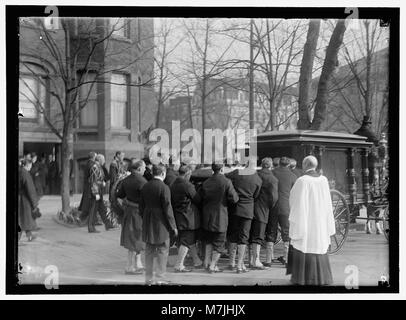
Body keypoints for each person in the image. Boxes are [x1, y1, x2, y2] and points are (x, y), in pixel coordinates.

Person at [287, 155, 335, 285]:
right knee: (319, 244)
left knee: (305, 244)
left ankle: (303, 278)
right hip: (320, 220)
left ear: (304, 165)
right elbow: (328, 202)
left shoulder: (302, 181)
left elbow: (294, 200)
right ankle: (322, 277)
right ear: (315, 165)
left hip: (306, 219)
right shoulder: (324, 180)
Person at [140, 164, 178, 285]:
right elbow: (168, 208)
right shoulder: (164, 187)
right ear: (163, 173)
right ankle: (160, 277)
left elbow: (141, 207)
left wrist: (145, 217)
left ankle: (149, 277)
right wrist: (173, 226)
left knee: (149, 249)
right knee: (162, 249)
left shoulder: (145, 186)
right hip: (161, 221)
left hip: (148, 219)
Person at [199, 163, 239, 273]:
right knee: (219, 243)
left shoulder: (206, 182)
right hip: (220, 217)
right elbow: (234, 199)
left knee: (208, 241)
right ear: (222, 169)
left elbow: (200, 198)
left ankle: (206, 262)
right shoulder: (226, 181)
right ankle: (213, 266)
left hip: (207, 217)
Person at [226, 158, 262, 273]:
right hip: (248, 210)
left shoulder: (237, 173)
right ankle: (239, 264)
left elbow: (226, 177)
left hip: (235, 208)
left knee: (233, 234)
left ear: (246, 164)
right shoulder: (257, 179)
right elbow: (256, 196)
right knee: (244, 237)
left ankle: (231, 262)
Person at [116, 160, 147, 274]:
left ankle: (138, 264)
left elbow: (119, 196)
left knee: (134, 239)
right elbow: (147, 200)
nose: (145, 170)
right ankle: (129, 267)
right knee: (135, 239)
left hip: (129, 212)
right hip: (138, 213)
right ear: (139, 169)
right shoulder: (142, 181)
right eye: (144, 168)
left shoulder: (125, 180)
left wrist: (125, 206)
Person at [171, 165, 203, 272]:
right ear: (188, 174)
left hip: (178, 216)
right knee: (186, 241)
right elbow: (197, 199)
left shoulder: (173, 184)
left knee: (188, 240)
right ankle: (179, 265)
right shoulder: (187, 185)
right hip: (187, 217)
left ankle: (197, 261)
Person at [250, 157, 279, 269]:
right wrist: (269, 206)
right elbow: (274, 198)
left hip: (250, 207)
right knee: (258, 235)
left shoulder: (255, 175)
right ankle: (255, 261)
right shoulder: (273, 179)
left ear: (261, 165)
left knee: (250, 234)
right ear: (270, 166)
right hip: (262, 209)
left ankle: (251, 260)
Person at [270, 156, 297, 265]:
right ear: (289, 164)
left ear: (279, 163)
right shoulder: (293, 176)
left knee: (271, 231)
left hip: (273, 206)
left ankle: (269, 258)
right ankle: (286, 258)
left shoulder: (272, 173)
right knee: (286, 232)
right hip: (286, 207)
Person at [87, 154, 114, 233]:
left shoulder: (98, 167)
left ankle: (108, 224)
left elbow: (98, 180)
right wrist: (96, 194)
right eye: (104, 160)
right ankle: (91, 227)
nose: (104, 161)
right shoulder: (95, 167)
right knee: (93, 210)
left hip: (99, 191)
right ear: (100, 160)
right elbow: (93, 182)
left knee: (102, 208)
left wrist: (102, 183)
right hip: (96, 192)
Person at [18, 159, 39, 241]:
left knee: (25, 218)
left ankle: (29, 236)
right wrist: (34, 203)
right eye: (30, 165)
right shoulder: (25, 173)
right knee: (23, 219)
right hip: (24, 199)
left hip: (20, 197)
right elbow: (30, 189)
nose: (31, 167)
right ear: (28, 165)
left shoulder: (20, 171)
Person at [78, 151, 96, 218]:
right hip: (90, 185)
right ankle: (82, 217)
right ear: (93, 157)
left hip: (88, 184)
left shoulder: (88, 163)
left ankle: (85, 217)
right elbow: (93, 175)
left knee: (87, 201)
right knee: (88, 202)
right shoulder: (91, 164)